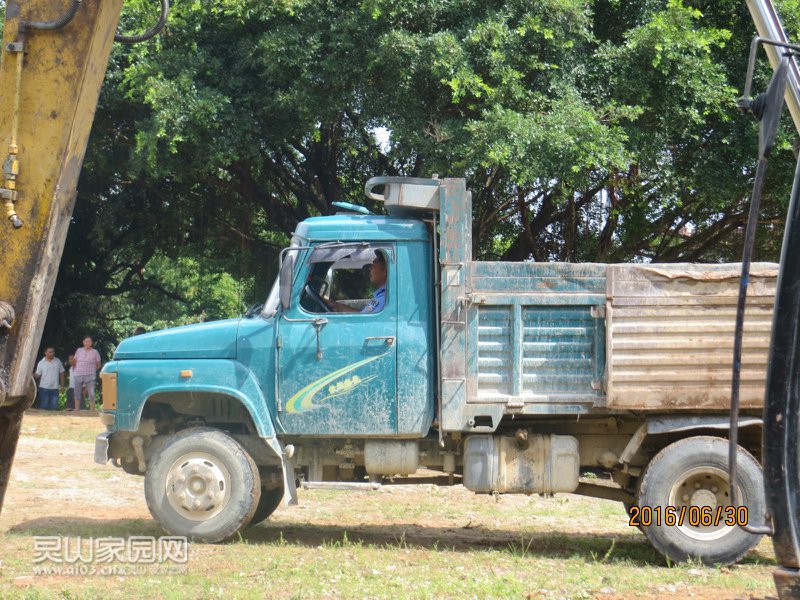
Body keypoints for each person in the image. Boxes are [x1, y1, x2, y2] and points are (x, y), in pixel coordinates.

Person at [73, 336, 101, 412]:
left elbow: (98, 364)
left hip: (90, 375)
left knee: (91, 394)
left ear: (91, 343)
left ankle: (92, 410)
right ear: (83, 342)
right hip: (78, 374)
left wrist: (92, 370)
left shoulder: (95, 352)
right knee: (77, 393)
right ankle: (76, 410)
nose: (88, 343)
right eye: (86, 341)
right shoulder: (79, 350)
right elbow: (74, 361)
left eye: (89, 342)